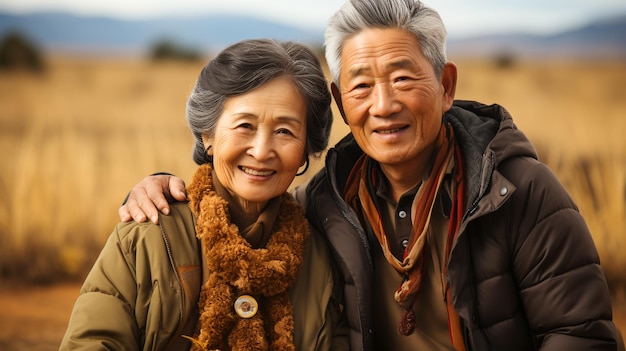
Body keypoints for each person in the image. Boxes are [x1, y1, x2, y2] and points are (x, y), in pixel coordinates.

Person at [119, 0, 624, 350]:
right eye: (361, 86)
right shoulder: (325, 200)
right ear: (340, 103)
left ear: (446, 86)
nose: (383, 106)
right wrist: (163, 184)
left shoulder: (517, 193)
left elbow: (581, 335)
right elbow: (244, 199)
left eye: (404, 78)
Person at [60, 38, 349, 351]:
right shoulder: (149, 234)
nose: (262, 150)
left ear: (306, 149)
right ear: (208, 134)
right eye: (245, 126)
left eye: (285, 131)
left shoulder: (319, 255)